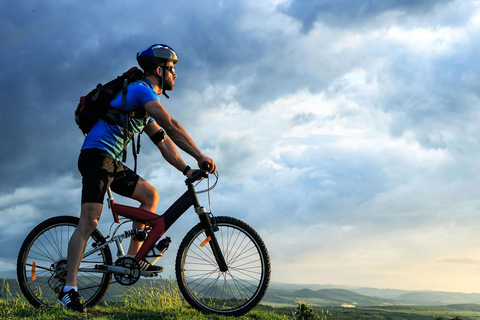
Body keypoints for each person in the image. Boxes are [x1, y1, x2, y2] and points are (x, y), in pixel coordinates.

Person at [57, 44, 216, 313]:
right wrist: (201, 155)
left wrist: (187, 170)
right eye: (172, 69)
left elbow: (163, 142)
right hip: (97, 156)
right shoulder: (141, 90)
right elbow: (171, 125)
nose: (175, 75)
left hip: (111, 162)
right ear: (159, 69)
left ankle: (132, 259)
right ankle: (68, 289)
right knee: (89, 221)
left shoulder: (141, 103)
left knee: (150, 196)